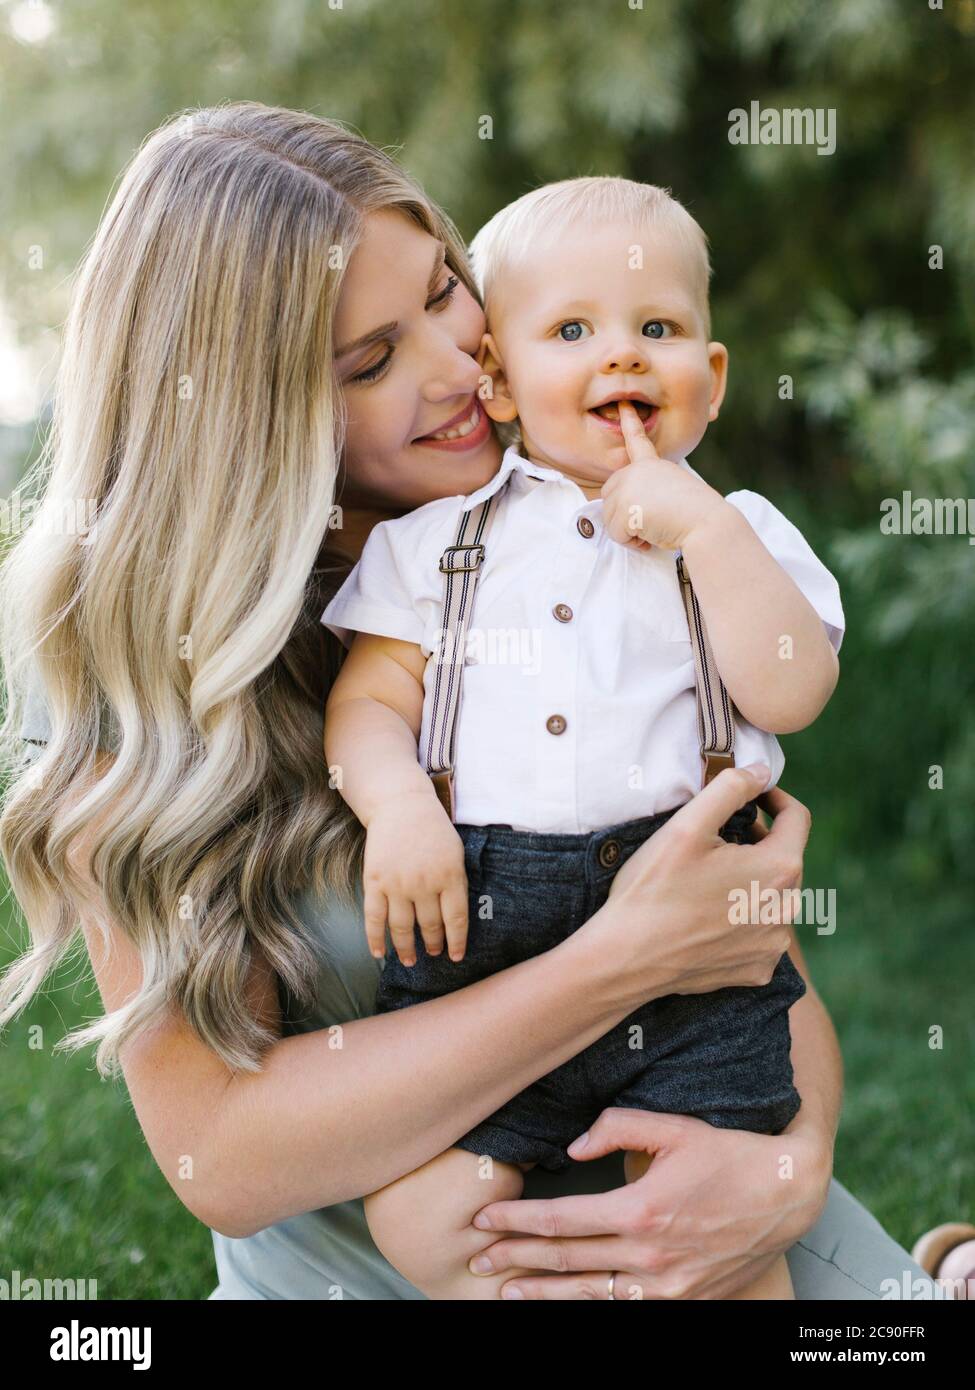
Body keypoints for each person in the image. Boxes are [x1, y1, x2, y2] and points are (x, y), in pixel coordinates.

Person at [0, 101, 939, 1301]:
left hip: (677, 1209)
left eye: (445, 291)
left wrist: (793, 1164)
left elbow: (738, 938)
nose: (461, 363)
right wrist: (614, 960)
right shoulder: (139, 666)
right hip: (392, 1264)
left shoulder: (590, 536)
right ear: (249, 419)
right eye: (373, 360)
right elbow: (216, 1149)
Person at [319, 176, 843, 1300]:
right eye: (572, 331)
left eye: (658, 330)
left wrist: (701, 525)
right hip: (488, 942)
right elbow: (369, 706)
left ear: (711, 379)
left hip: (690, 958)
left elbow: (790, 692)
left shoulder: (739, 531)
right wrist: (400, 806)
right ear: (500, 380)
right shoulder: (436, 542)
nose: (622, 358)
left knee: (721, 1220)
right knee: (423, 1215)